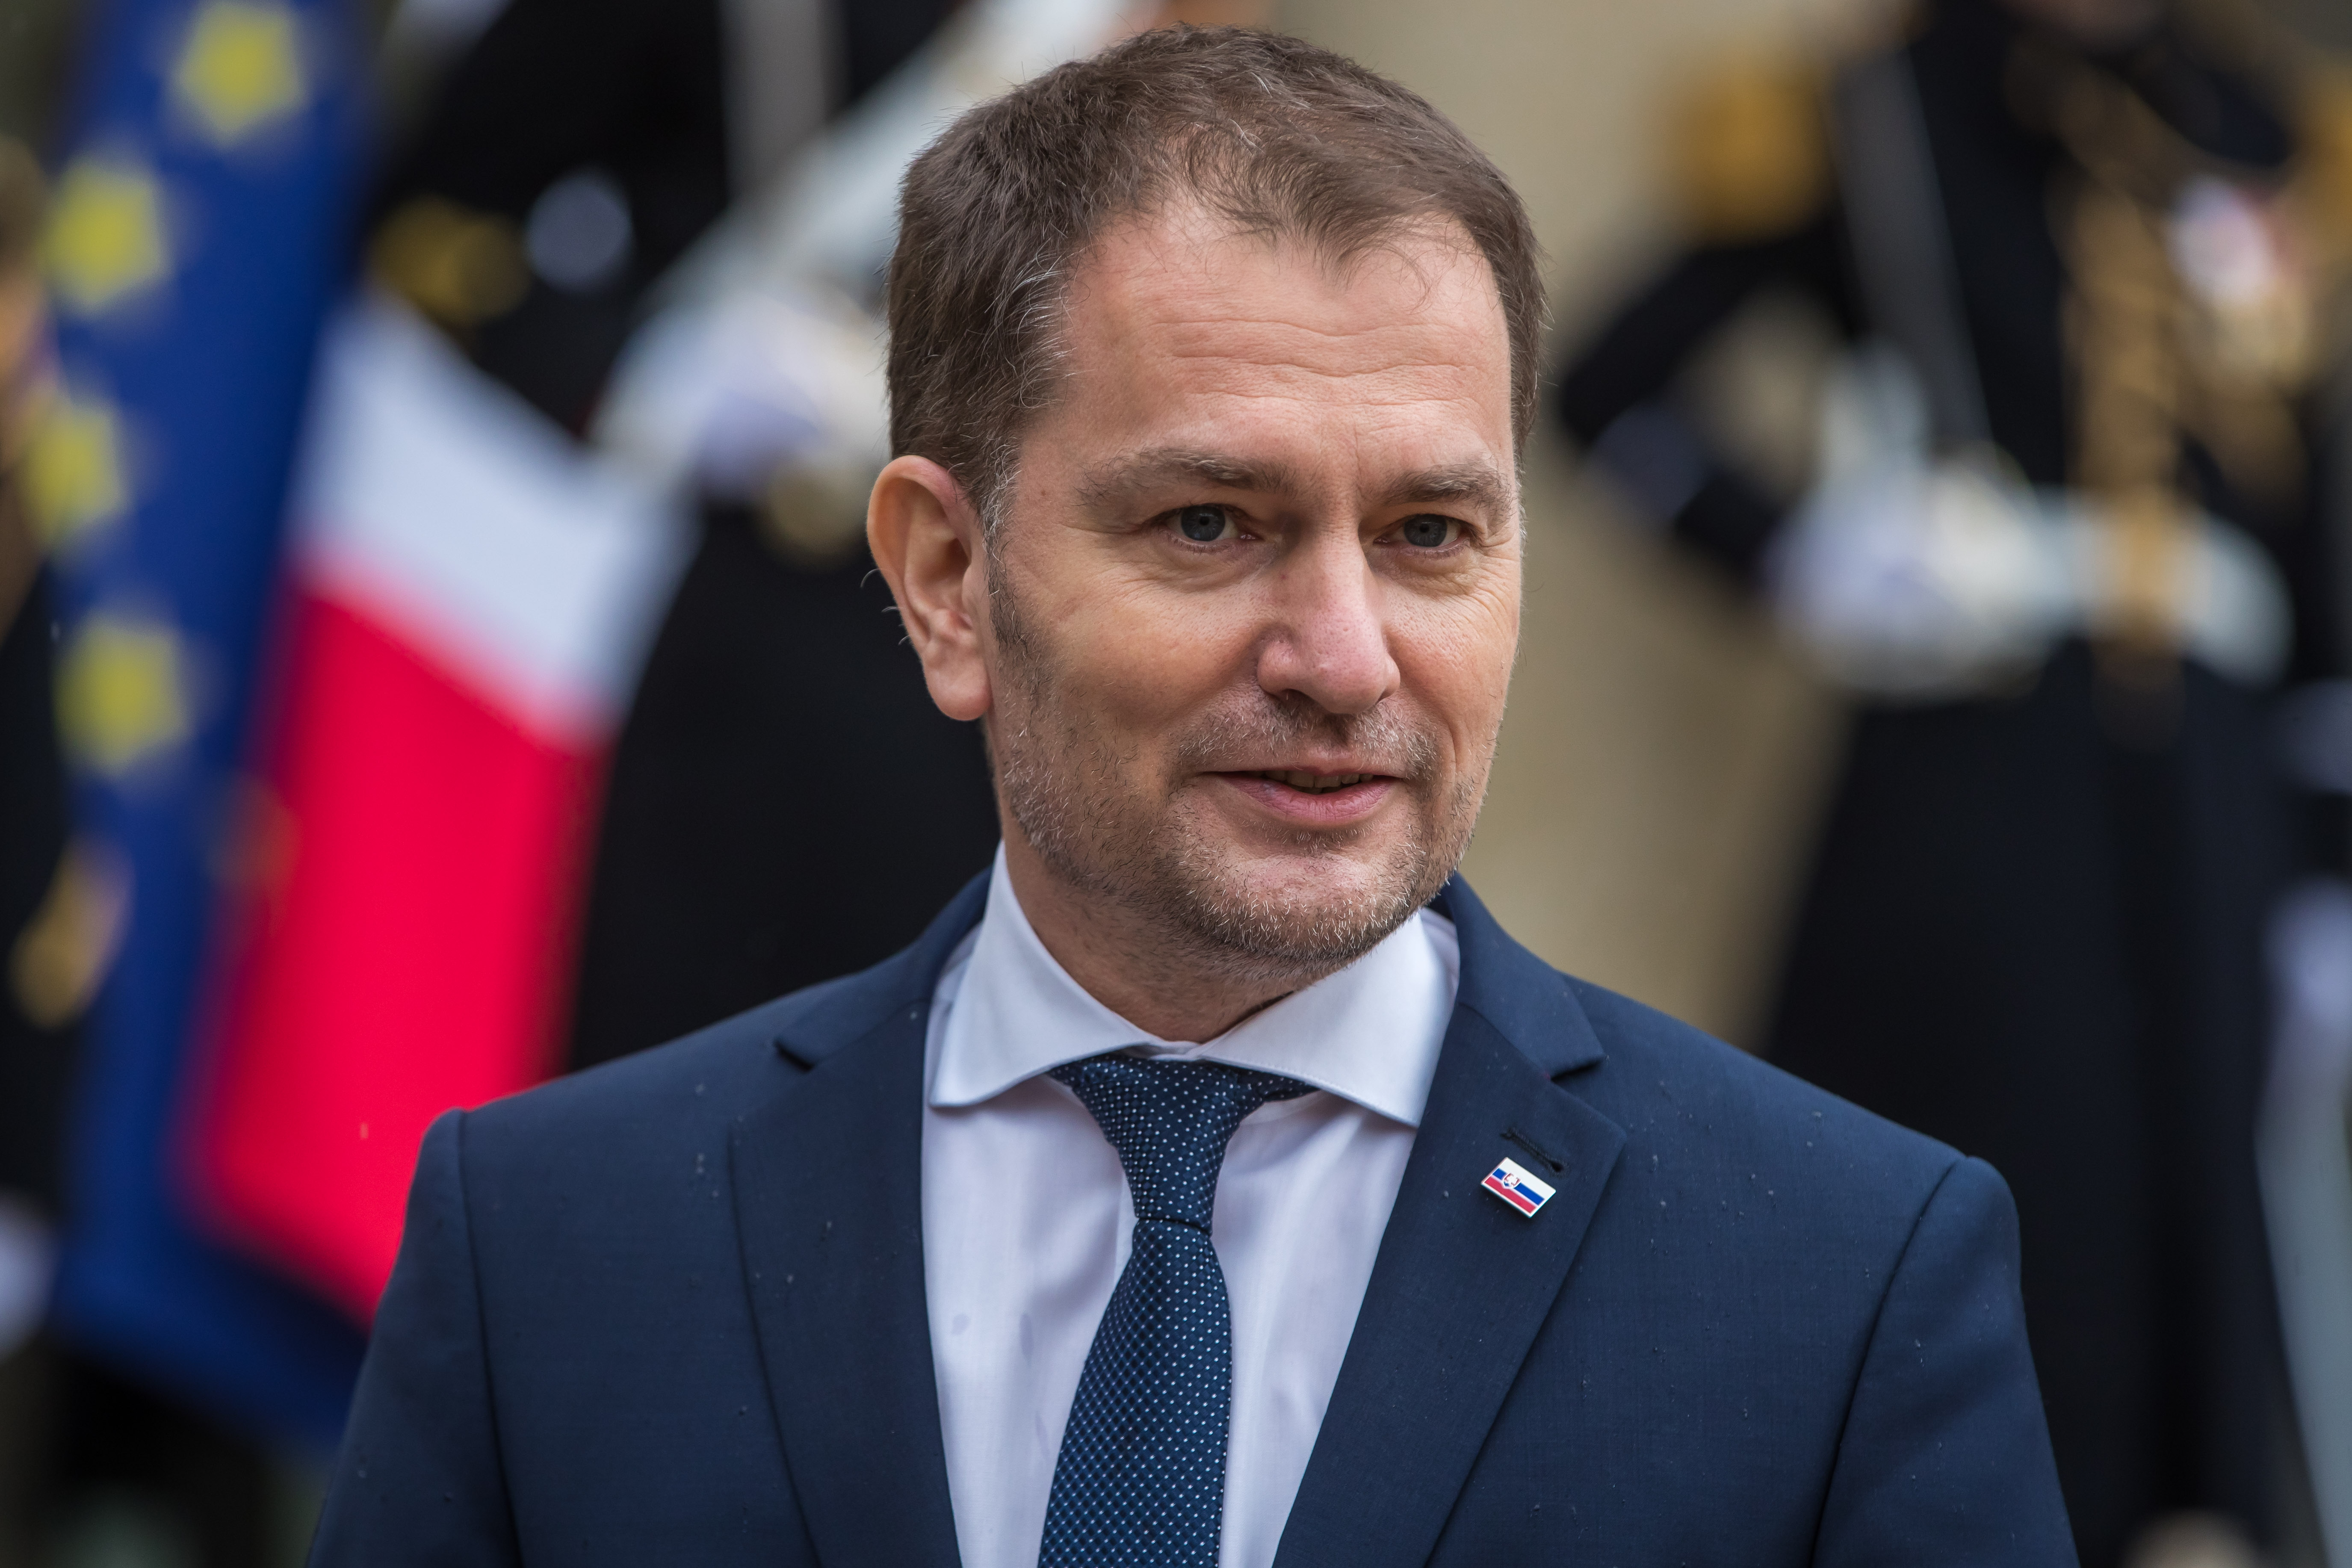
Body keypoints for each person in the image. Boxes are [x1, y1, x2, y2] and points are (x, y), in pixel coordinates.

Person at [307, 26, 2075, 1567]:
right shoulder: (552, 1250)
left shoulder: (1844, 1287)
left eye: (1429, 536)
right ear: (944, 577)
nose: (1342, 654)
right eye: (1210, 524)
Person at [1553, 2, 2346, 1559]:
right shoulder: (1871, 113)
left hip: (2210, 806)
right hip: (1981, 779)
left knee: (2203, 1280)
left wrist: (2328, 857)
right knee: (1979, 1218)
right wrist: (1799, 560)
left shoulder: (2269, 127)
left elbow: (2315, 532)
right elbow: (1607, 384)